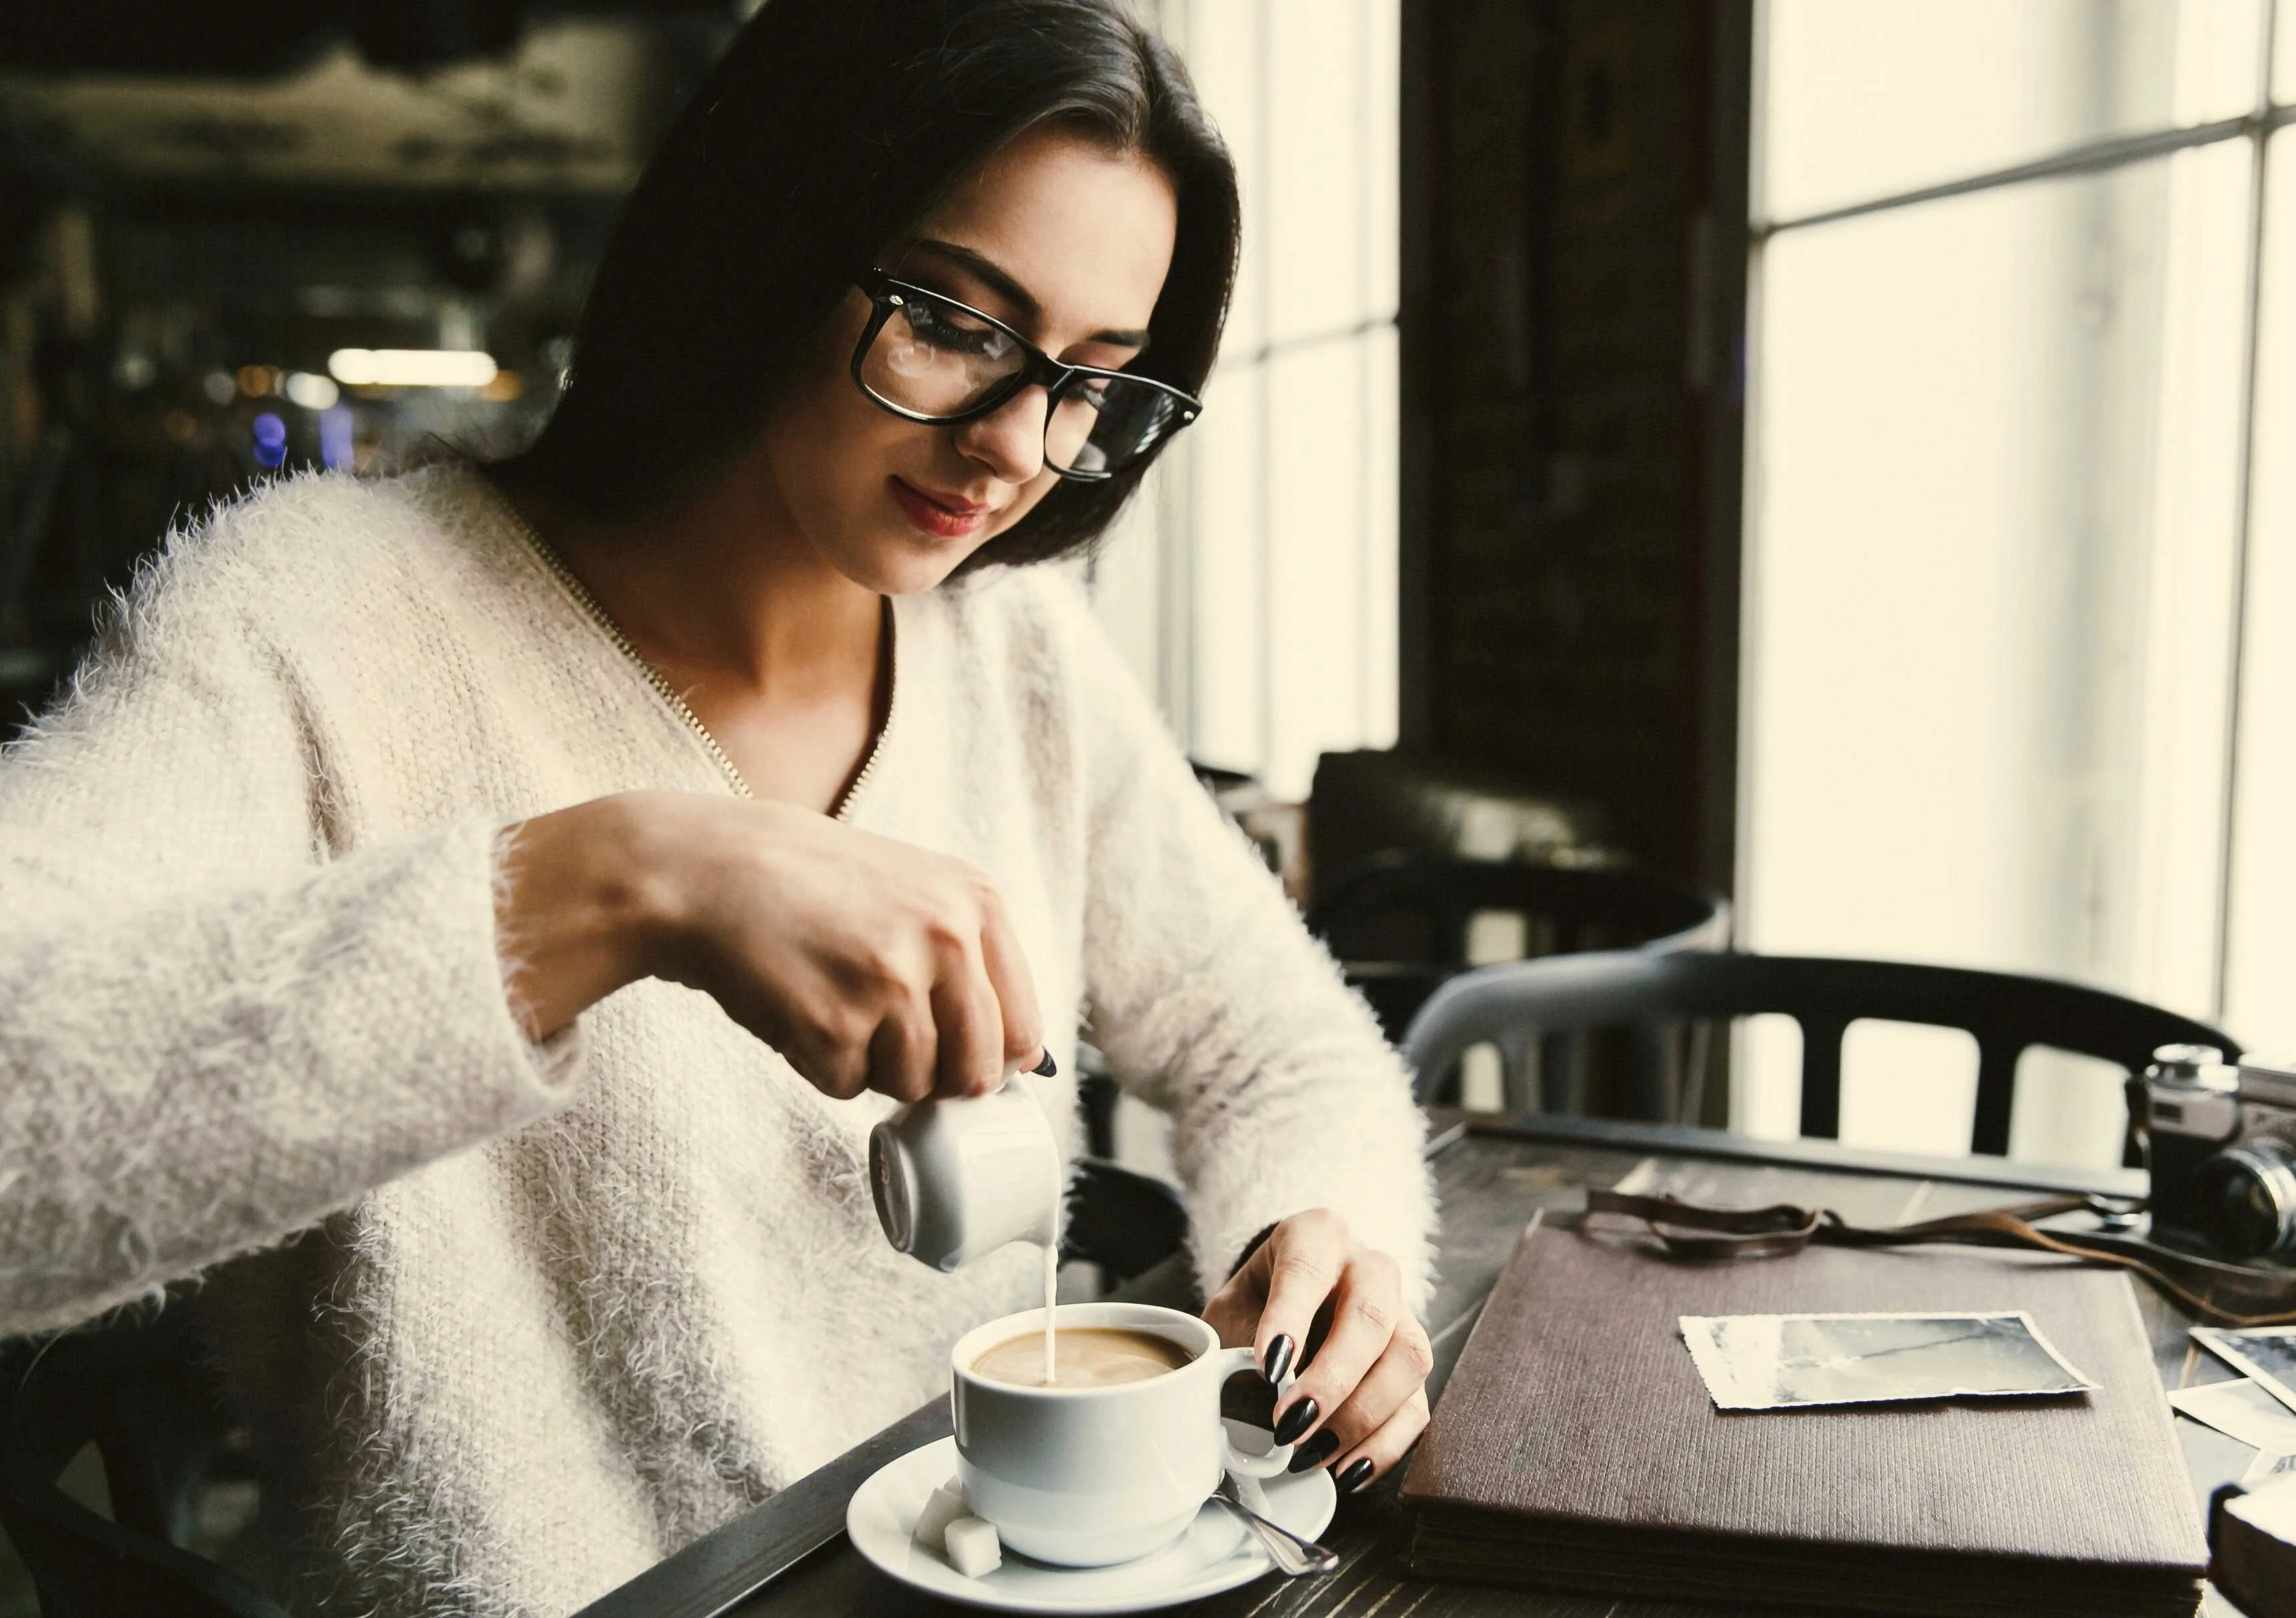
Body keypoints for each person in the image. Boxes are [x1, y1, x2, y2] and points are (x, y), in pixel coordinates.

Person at [0, 1, 1436, 1612]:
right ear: (760, 240)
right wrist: (601, 888)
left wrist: (1331, 1236)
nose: (1019, 446)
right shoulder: (310, 620)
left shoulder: (1011, 653)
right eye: (955, 323)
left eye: (1098, 385)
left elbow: (1280, 1045)